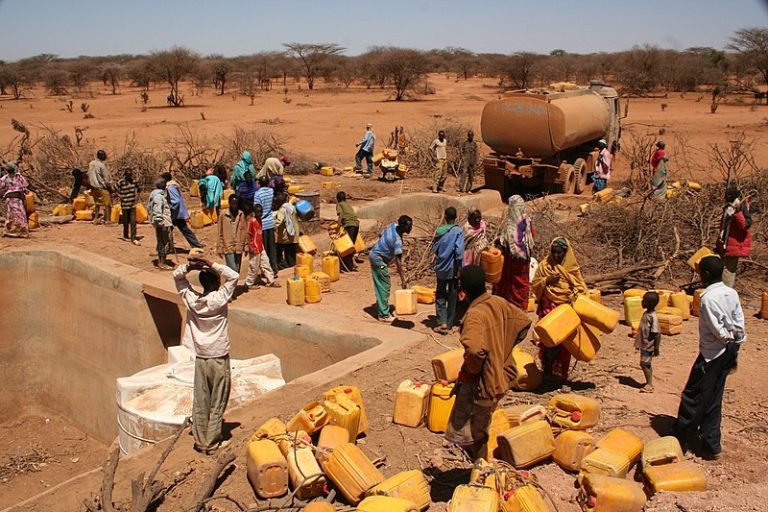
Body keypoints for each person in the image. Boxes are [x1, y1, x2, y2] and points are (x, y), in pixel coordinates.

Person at [445, 265, 532, 460]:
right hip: (504, 374)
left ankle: (481, 474)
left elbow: (476, 351)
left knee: (478, 433)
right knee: (481, 425)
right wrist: (502, 349)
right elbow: (523, 323)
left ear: (463, 290)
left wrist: (473, 371)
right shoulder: (498, 302)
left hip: (485, 384)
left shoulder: (474, 315)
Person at [674, 255, 746, 459]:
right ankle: (711, 444)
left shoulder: (707, 298)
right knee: (714, 396)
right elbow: (739, 319)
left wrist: (725, 339)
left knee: (693, 396)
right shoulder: (730, 292)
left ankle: (680, 440)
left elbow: (716, 328)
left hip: (712, 353)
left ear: (705, 274)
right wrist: (737, 341)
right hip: (730, 349)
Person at [173, 255, 238, 454]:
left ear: (202, 283)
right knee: (218, 400)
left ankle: (201, 439)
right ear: (217, 282)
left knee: (201, 399)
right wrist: (211, 263)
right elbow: (234, 276)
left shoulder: (192, 300)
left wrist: (190, 266)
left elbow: (177, 277)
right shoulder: (219, 299)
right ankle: (212, 441)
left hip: (201, 357)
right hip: (218, 357)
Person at [530, 238, 587, 380]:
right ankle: (547, 371)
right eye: (554, 252)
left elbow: (581, 289)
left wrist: (573, 297)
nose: (556, 256)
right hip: (548, 308)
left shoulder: (572, 269)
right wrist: (546, 281)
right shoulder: (544, 266)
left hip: (565, 309)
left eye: (559, 253)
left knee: (565, 344)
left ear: (566, 253)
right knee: (548, 341)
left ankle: (562, 374)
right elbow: (535, 285)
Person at [493, 195, 535, 310]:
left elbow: (503, 244)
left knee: (511, 288)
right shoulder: (527, 222)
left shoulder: (509, 226)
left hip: (511, 264)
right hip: (524, 263)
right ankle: (521, 309)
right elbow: (531, 239)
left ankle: (511, 311)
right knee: (522, 285)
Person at [369, 215, 412, 322]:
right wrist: (403, 280)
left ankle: (381, 307)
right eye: (408, 226)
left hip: (374, 255)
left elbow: (380, 235)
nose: (410, 228)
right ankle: (383, 315)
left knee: (380, 283)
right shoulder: (397, 241)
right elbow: (398, 262)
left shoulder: (392, 226)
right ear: (402, 226)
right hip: (378, 259)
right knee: (385, 285)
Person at [433, 207, 464, 335]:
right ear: (455, 217)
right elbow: (459, 252)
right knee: (452, 295)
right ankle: (449, 323)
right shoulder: (458, 231)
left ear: (445, 216)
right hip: (453, 269)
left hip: (440, 267)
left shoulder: (439, 230)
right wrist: (460, 270)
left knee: (440, 293)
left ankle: (442, 322)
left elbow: (435, 249)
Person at [716, 186, 752, 288]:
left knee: (728, 272)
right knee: (721, 270)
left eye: (728, 195)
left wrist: (738, 212)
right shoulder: (727, 207)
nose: (726, 197)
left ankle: (726, 294)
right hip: (724, 244)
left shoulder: (741, 207)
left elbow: (745, 226)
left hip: (734, 244)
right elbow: (723, 227)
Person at [162, 171, 203, 249]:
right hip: (178, 212)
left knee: (167, 229)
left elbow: (176, 201)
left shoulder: (170, 187)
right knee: (183, 230)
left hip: (175, 213)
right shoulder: (174, 185)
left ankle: (166, 248)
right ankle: (196, 245)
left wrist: (170, 208)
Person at [245, 203, 279, 288]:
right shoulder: (251, 221)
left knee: (266, 264)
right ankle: (249, 283)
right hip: (254, 247)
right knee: (254, 266)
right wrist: (249, 246)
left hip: (260, 246)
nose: (260, 214)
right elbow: (248, 234)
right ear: (254, 212)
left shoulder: (260, 220)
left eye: (261, 212)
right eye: (258, 212)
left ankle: (270, 281)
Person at [634, 291, 661, 393]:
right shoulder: (646, 314)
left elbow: (657, 333)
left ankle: (649, 384)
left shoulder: (653, 317)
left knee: (644, 364)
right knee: (646, 364)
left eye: (643, 300)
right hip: (644, 344)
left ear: (649, 303)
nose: (642, 302)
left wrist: (656, 348)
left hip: (648, 345)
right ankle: (649, 382)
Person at [253, 175, 277, 275]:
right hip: (270, 223)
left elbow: (257, 209)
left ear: (259, 183)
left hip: (262, 224)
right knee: (272, 248)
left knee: (264, 250)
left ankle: (267, 272)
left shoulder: (258, 194)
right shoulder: (271, 192)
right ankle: (274, 269)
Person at [148, 178, 174, 270]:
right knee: (165, 243)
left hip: (162, 223)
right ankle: (162, 263)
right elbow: (157, 211)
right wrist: (161, 223)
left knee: (161, 242)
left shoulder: (157, 195)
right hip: (164, 224)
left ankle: (161, 262)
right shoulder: (159, 197)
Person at [217, 195, 247, 274]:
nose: (234, 206)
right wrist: (219, 247)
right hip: (227, 245)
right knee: (231, 270)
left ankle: (234, 286)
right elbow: (220, 232)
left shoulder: (241, 214)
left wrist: (246, 245)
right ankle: (231, 285)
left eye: (236, 204)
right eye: (233, 204)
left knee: (237, 269)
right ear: (229, 203)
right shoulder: (223, 215)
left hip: (239, 244)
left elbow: (244, 230)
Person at [0, 162, 30, 238]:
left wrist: (6, 193)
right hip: (17, 198)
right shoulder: (19, 177)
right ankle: (21, 231)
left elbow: (1, 189)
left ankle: (9, 231)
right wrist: (24, 190)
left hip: (9, 198)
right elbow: (25, 186)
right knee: (20, 214)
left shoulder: (4, 179)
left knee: (11, 215)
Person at [87, 149, 113, 224]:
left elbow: (89, 174)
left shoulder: (91, 163)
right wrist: (110, 188)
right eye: (104, 155)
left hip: (93, 186)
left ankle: (96, 219)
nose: (105, 156)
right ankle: (108, 220)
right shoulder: (102, 166)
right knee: (107, 203)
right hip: (101, 186)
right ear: (101, 156)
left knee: (97, 203)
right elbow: (106, 179)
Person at [274, 193, 300, 269]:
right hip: (294, 234)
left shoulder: (282, 210)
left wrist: (272, 225)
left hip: (285, 236)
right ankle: (292, 266)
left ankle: (282, 266)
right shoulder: (292, 207)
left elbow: (279, 222)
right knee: (291, 253)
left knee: (278, 251)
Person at [336, 191, 360, 272]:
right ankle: (352, 263)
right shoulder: (348, 205)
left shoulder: (339, 205)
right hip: (356, 225)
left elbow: (341, 216)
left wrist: (338, 227)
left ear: (338, 199)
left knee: (347, 247)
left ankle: (349, 265)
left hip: (349, 225)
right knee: (351, 245)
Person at [116, 170, 141, 246]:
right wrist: (119, 196)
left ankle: (133, 237)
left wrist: (136, 198)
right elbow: (114, 188)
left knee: (133, 221)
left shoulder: (134, 182)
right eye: (128, 175)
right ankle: (125, 235)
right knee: (125, 221)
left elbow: (138, 190)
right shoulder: (121, 182)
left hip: (132, 204)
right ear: (125, 175)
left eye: (130, 175)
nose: (130, 176)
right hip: (124, 204)